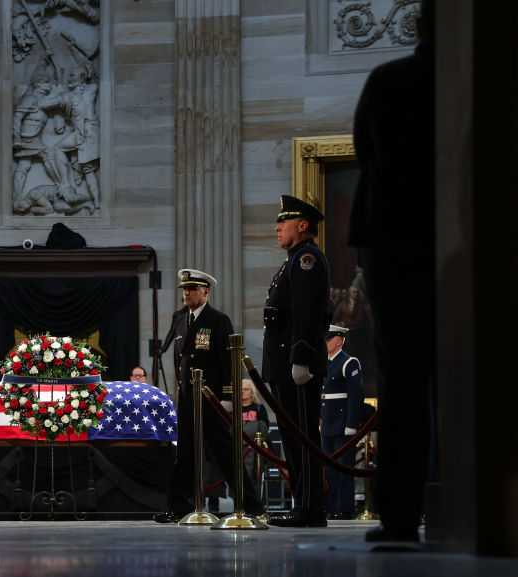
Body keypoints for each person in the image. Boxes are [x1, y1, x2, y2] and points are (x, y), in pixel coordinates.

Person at [350, 0, 434, 544]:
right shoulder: (470, 84)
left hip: (393, 240)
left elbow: (365, 151)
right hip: (450, 234)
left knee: (403, 378)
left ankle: (400, 512)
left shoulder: (389, 80)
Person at [155, 269, 264, 523]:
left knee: (224, 453)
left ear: (206, 292)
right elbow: (178, 358)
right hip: (187, 397)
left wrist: (227, 396)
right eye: (185, 289)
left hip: (212, 397)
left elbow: (228, 361)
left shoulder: (218, 320)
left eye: (192, 289)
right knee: (184, 455)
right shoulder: (180, 318)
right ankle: (179, 507)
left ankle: (251, 506)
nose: (187, 293)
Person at [261, 195, 331, 528]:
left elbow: (307, 313)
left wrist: (301, 357)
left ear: (302, 225)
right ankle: (302, 504)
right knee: (292, 437)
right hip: (285, 364)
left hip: (297, 365)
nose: (277, 227)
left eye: (283, 222)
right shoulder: (292, 260)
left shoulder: (306, 258)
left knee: (303, 438)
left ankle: (309, 508)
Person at [321, 325, 364, 520]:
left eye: (329, 338)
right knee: (329, 469)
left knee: (343, 468)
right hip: (328, 423)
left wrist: (351, 424)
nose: (326, 342)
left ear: (339, 340)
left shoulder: (349, 362)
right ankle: (331, 507)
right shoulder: (325, 362)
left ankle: (345, 508)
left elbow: (356, 396)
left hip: (342, 423)